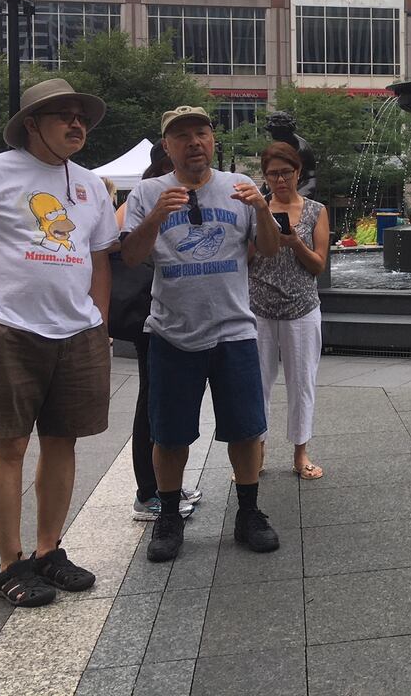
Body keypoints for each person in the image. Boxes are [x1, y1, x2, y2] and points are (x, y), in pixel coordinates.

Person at [0, 78, 119, 608]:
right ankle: (9, 562)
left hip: (77, 333)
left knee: (64, 441)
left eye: (80, 115)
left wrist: (99, 323)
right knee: (9, 446)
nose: (76, 123)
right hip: (9, 331)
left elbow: (100, 258)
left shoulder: (89, 185)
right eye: (63, 115)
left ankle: (48, 552)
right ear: (32, 125)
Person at [120, 106, 282, 563]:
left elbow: (268, 251)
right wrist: (154, 218)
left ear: (213, 141)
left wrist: (261, 209)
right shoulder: (148, 191)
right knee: (169, 435)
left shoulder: (238, 187)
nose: (194, 142)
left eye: (201, 133)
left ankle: (248, 512)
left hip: (234, 329)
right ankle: (168, 516)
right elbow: (130, 258)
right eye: (182, 136)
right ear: (167, 147)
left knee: (246, 430)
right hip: (172, 332)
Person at [113, 145, 201, 522]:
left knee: (161, 400)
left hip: (169, 313)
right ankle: (148, 492)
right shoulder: (143, 198)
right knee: (151, 403)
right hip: (148, 314)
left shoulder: (172, 196)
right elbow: (121, 247)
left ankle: (164, 485)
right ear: (167, 164)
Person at [249, 143, 330, 479]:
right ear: (265, 177)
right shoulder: (257, 209)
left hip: (301, 308)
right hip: (259, 309)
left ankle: (300, 452)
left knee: (301, 384)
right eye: (272, 174)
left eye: (285, 172)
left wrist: (296, 242)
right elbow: (247, 258)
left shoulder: (316, 211)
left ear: (298, 172)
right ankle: (258, 450)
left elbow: (318, 266)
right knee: (257, 384)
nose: (279, 180)